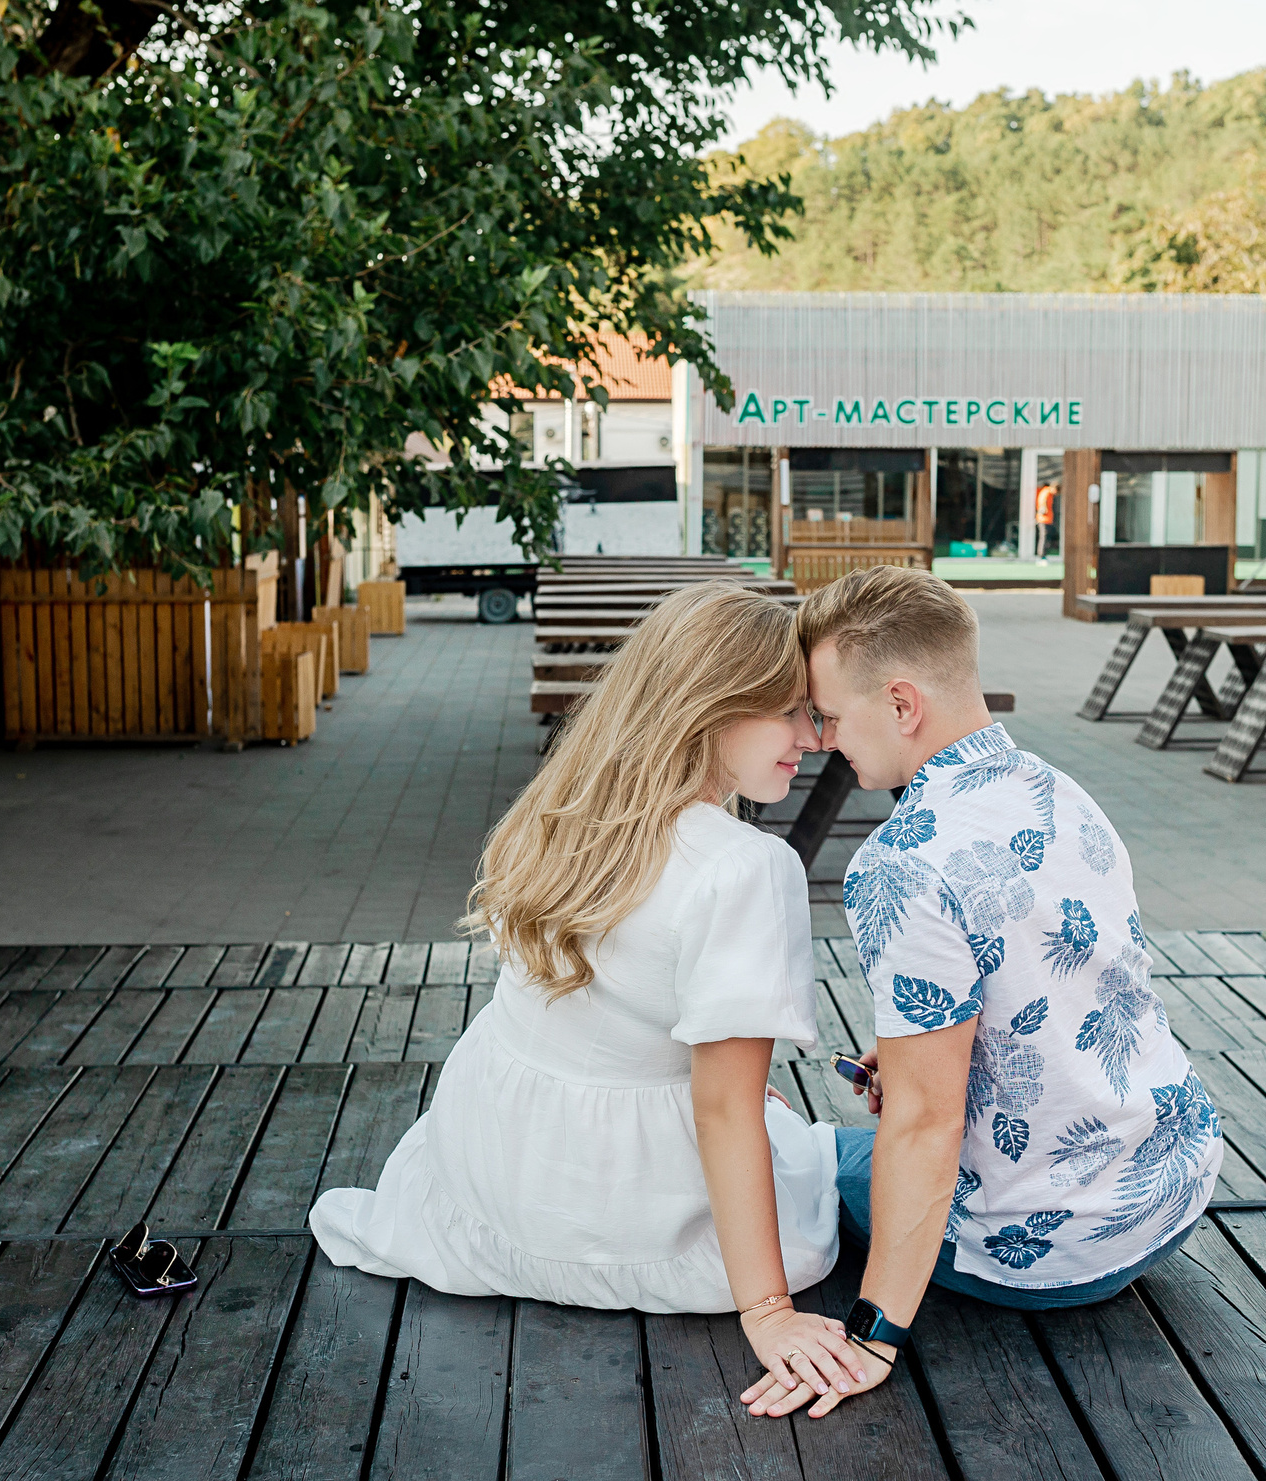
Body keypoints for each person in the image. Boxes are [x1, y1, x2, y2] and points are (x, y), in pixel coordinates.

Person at [309, 582, 875, 1415]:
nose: (811, 738)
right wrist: (769, 1312)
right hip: (637, 1212)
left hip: (498, 1178)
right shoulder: (743, 867)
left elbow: (611, 1012)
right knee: (880, 1157)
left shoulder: (569, 813)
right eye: (788, 712)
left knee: (793, 1123)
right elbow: (723, 1115)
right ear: (707, 707)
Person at [758, 567, 1221, 1407]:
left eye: (827, 713)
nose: (820, 736)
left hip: (1048, 1251)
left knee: (801, 1156)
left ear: (901, 705)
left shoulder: (899, 864)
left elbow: (927, 1129)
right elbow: (1070, 978)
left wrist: (875, 1337)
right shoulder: (1059, 788)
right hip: (1173, 1187)